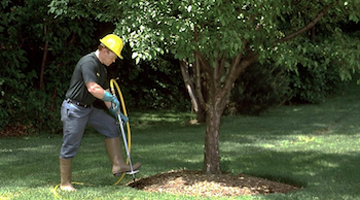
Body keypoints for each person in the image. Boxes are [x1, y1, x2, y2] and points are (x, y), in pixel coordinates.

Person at [59, 34, 141, 191]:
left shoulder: (102, 69)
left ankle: (118, 165)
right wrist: (110, 96)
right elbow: (93, 88)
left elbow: (105, 94)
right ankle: (65, 183)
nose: (115, 60)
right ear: (105, 50)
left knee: (111, 125)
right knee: (71, 145)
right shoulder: (88, 62)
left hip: (87, 109)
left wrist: (115, 112)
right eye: (114, 56)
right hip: (74, 109)